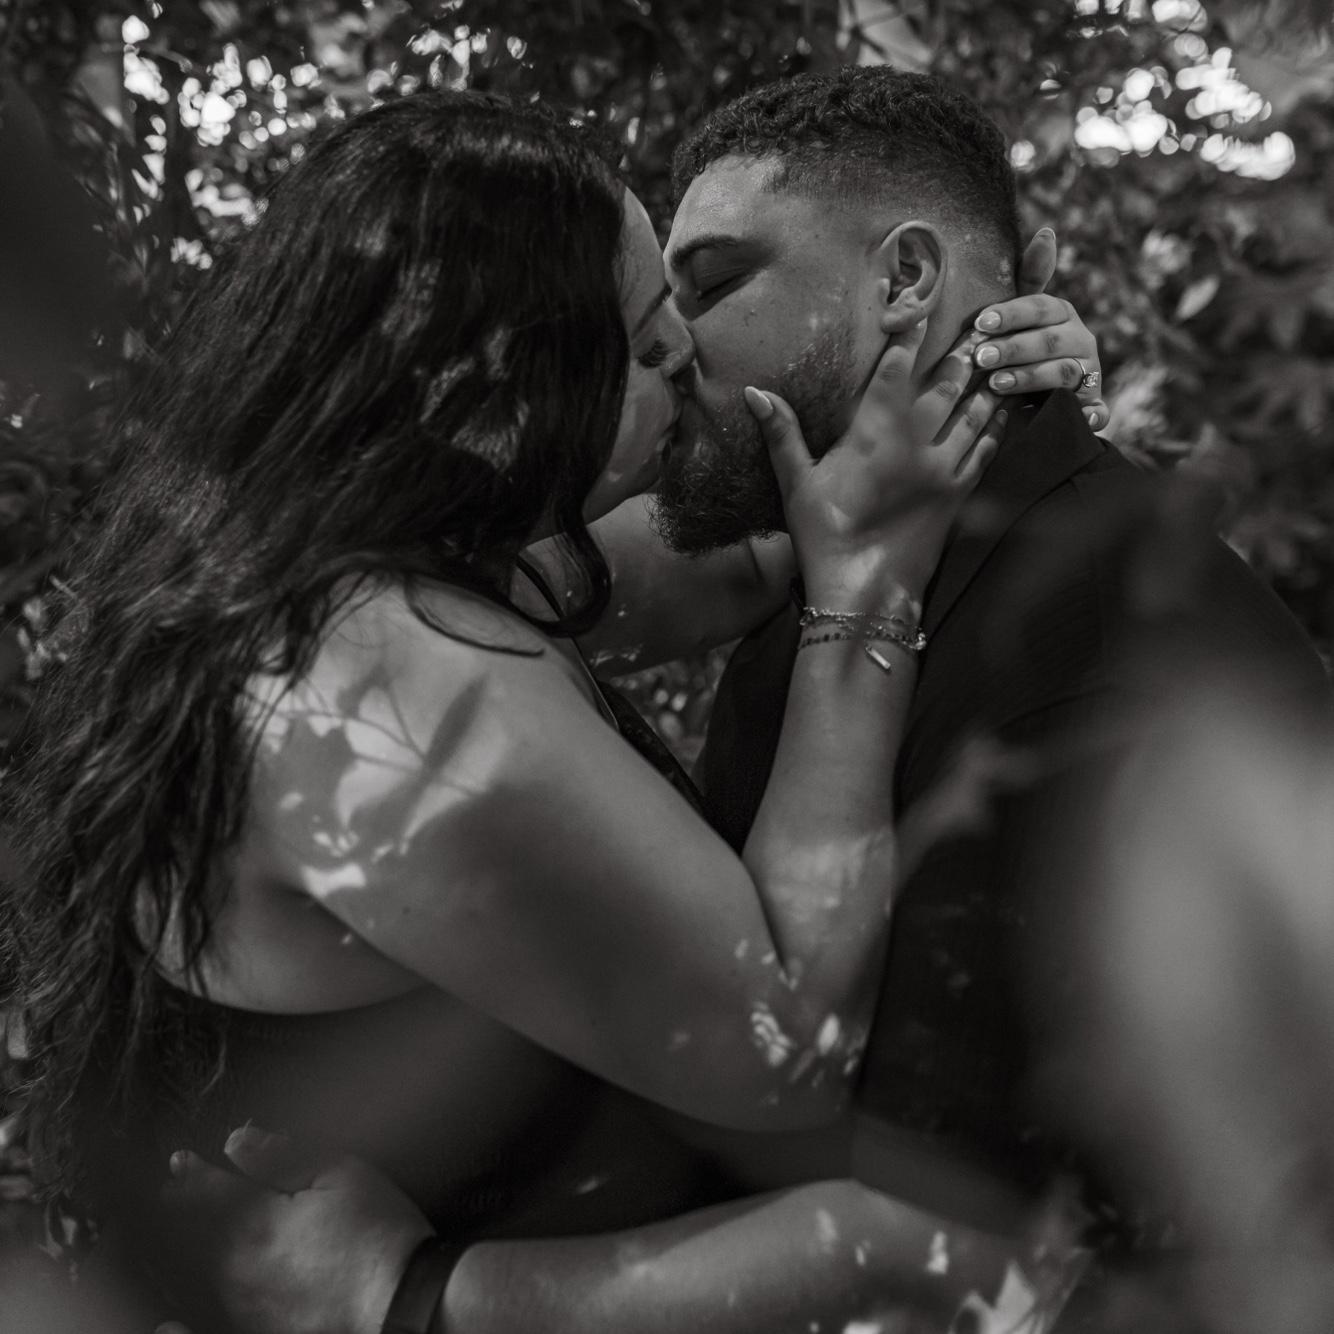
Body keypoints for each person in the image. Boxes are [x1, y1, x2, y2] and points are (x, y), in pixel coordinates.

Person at [161, 65, 1330, 1334]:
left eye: (707, 287)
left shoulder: (1108, 670)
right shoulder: (405, 640)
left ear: (903, 280)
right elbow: (801, 1080)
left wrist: (1005, 416)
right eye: (643, 325)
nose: (675, 347)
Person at [0, 84, 1103, 1328]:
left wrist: (976, 386)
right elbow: (785, 1043)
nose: (684, 349)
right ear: (486, 398)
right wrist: (863, 606)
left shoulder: (372, 555)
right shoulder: (390, 692)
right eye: (640, 339)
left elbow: (742, 556)